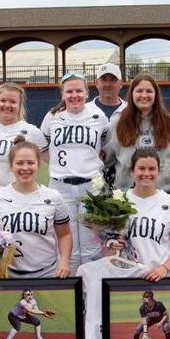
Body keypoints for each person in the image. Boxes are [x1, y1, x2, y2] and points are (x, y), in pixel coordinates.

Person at [41, 73, 109, 273]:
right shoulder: (52, 117)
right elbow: (43, 147)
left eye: (79, 90)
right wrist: (57, 164)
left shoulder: (98, 116)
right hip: (61, 187)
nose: (74, 95)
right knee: (67, 248)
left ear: (87, 93)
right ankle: (71, 295)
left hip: (91, 188)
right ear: (62, 94)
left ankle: (92, 295)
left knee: (91, 247)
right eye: (69, 91)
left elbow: (105, 146)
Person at [0, 136, 73, 278]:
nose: (25, 168)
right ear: (11, 165)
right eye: (19, 163)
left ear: (38, 165)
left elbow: (65, 234)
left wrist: (65, 261)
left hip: (47, 274)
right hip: (8, 275)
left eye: (31, 163)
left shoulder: (53, 196)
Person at [0, 83, 47, 222]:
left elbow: (47, 157)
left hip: (16, 195)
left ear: (20, 106)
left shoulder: (31, 131)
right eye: (3, 100)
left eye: (13, 102)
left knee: (14, 240)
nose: (7, 105)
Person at [105, 74, 170, 198]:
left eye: (149, 91)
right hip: (126, 195)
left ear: (156, 95)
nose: (144, 95)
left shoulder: (168, 122)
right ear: (132, 94)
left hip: (165, 193)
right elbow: (106, 161)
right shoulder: (118, 124)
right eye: (139, 91)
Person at [121, 148, 170, 281]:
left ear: (158, 170)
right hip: (128, 276)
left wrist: (165, 268)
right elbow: (110, 239)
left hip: (161, 276)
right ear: (131, 170)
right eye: (141, 168)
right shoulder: (120, 201)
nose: (146, 173)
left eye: (152, 169)